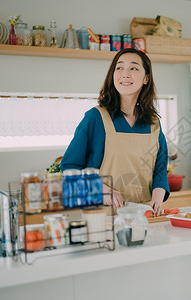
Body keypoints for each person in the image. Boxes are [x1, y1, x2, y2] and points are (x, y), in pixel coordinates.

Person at [60, 48, 170, 216]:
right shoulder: (96, 117)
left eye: (133, 68)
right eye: (119, 68)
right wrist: (102, 189)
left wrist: (158, 197)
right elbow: (69, 168)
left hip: (144, 214)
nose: (125, 74)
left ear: (146, 78)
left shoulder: (154, 123)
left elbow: (160, 169)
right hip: (102, 215)